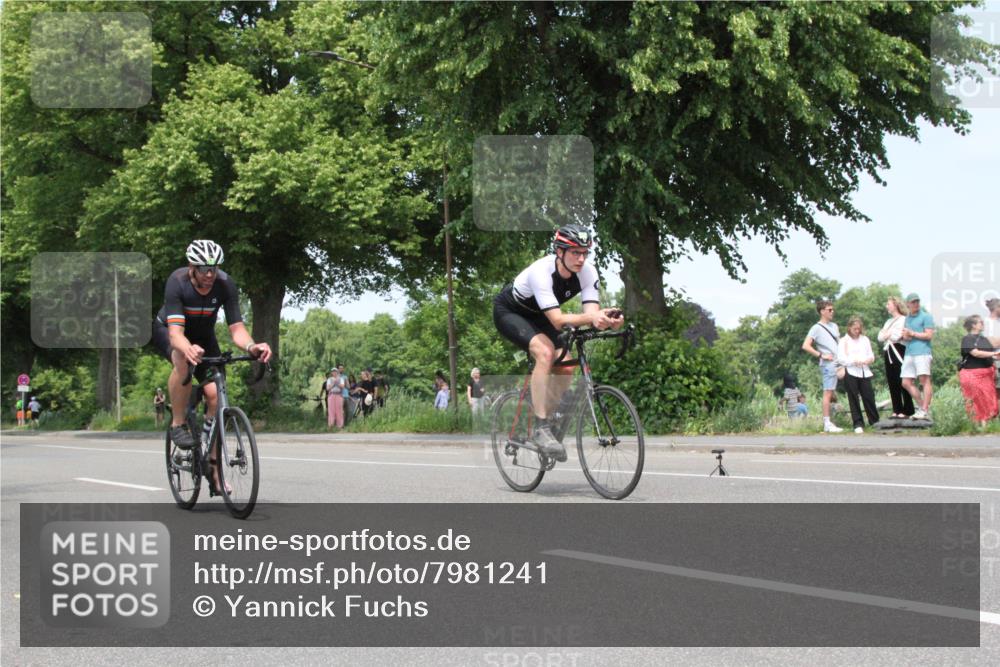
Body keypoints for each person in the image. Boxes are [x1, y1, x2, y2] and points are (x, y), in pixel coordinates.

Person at [493, 224, 623, 461]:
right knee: (545, 353)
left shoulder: (588, 272)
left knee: (566, 365)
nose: (581, 258)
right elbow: (557, 319)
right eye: (575, 252)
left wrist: (605, 319)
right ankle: (541, 427)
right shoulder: (540, 272)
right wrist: (593, 317)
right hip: (511, 312)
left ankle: (544, 415)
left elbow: (590, 315)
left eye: (585, 252)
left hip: (542, 315)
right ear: (560, 251)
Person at [152, 240, 272, 494]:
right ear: (191, 267)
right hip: (170, 332)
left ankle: (213, 470)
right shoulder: (177, 282)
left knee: (216, 398)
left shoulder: (225, 284)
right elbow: (176, 334)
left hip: (205, 337)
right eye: (204, 268)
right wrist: (186, 348)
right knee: (183, 361)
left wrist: (252, 347)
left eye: (214, 268)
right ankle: (177, 424)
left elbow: (237, 329)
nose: (209, 275)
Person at [801, 299, 843, 433]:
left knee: (849, 387)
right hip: (828, 364)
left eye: (833, 309)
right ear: (822, 311)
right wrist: (820, 355)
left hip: (839, 362)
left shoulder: (834, 326)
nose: (832, 312)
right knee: (828, 392)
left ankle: (854, 419)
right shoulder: (816, 328)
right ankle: (826, 423)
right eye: (830, 310)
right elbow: (806, 345)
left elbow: (839, 343)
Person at [838, 316, 879, 433]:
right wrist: (853, 361)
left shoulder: (865, 339)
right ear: (849, 328)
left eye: (859, 329)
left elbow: (871, 355)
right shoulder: (844, 341)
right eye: (855, 329)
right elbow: (841, 358)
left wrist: (868, 360)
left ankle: (874, 421)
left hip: (864, 371)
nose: (857, 331)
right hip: (851, 371)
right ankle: (858, 423)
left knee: (869, 396)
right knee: (853, 398)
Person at [876, 296, 913, 419]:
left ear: (895, 305)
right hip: (888, 351)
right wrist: (889, 334)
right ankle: (896, 409)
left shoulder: (904, 319)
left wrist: (888, 334)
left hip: (899, 350)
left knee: (902, 380)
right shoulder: (888, 322)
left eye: (888, 304)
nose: (887, 306)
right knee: (892, 381)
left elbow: (897, 336)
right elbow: (880, 337)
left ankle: (907, 409)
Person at [958, 315, 1000, 425]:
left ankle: (987, 425)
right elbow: (975, 353)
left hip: (987, 374)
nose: (983, 323)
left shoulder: (985, 339)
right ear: (973, 325)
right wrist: (994, 353)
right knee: (976, 400)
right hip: (971, 375)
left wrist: (994, 370)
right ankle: (977, 426)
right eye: (980, 322)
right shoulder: (967, 339)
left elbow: (991, 357)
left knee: (990, 400)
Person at [900, 293, 935, 420]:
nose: (916, 304)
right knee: (905, 382)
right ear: (908, 304)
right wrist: (905, 335)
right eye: (913, 302)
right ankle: (922, 407)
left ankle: (924, 409)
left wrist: (912, 333)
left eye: (917, 301)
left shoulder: (926, 316)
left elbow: (929, 335)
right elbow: (907, 336)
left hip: (922, 352)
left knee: (924, 381)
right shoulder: (907, 318)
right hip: (909, 352)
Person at [984, 298, 1000, 405]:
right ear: (996, 308)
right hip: (992, 359)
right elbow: (990, 343)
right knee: (992, 389)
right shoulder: (985, 323)